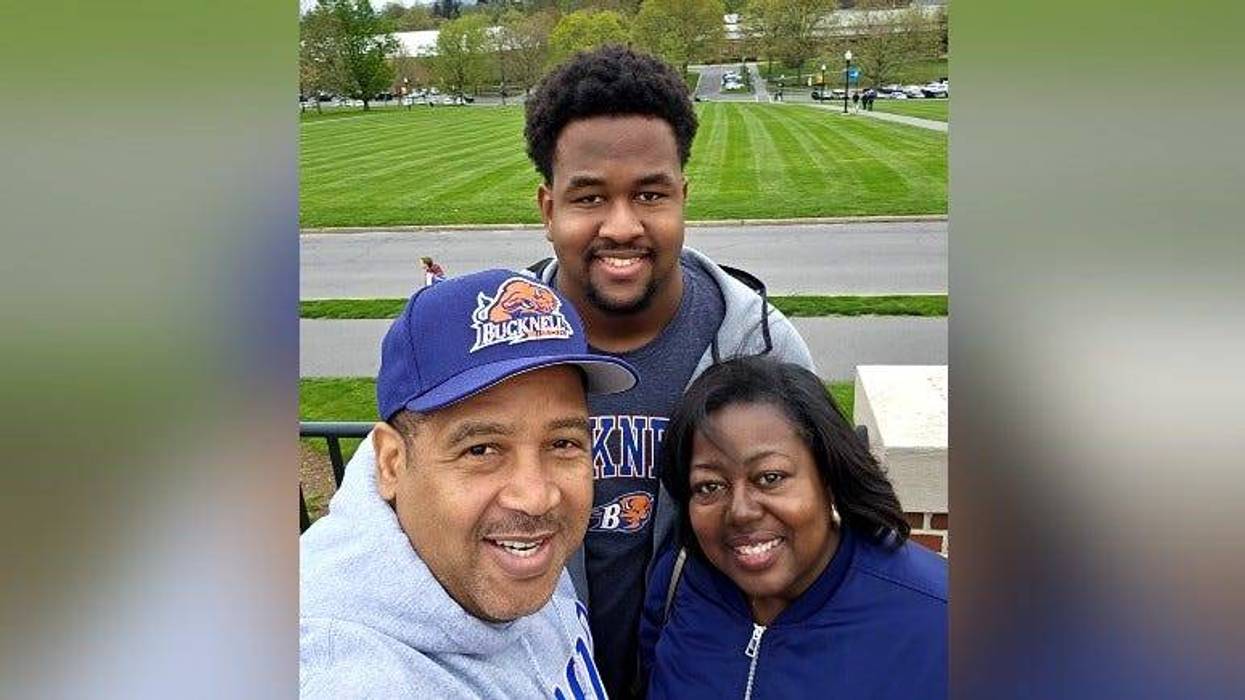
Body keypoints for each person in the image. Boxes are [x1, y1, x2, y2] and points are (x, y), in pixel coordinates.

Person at [339, 44, 816, 698]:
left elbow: (817, 538)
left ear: (683, 196)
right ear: (546, 208)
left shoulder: (761, 351)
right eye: (589, 196)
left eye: (649, 193)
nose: (621, 226)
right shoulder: (482, 350)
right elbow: (378, 517)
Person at [300, 269, 638, 698]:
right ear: (391, 463)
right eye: (481, 450)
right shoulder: (351, 679)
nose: (536, 498)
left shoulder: (505, 561)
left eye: (563, 442)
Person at [638, 356, 947, 698]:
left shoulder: (941, 619)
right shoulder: (679, 581)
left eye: (770, 478)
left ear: (829, 476)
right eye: (710, 486)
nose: (740, 512)